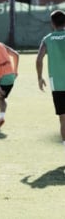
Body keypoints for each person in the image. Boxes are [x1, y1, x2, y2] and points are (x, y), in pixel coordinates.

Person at [36, 10, 65, 145]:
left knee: (63, 118)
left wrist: (40, 78)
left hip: (57, 84)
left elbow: (39, 59)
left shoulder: (47, 39)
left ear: (52, 23)